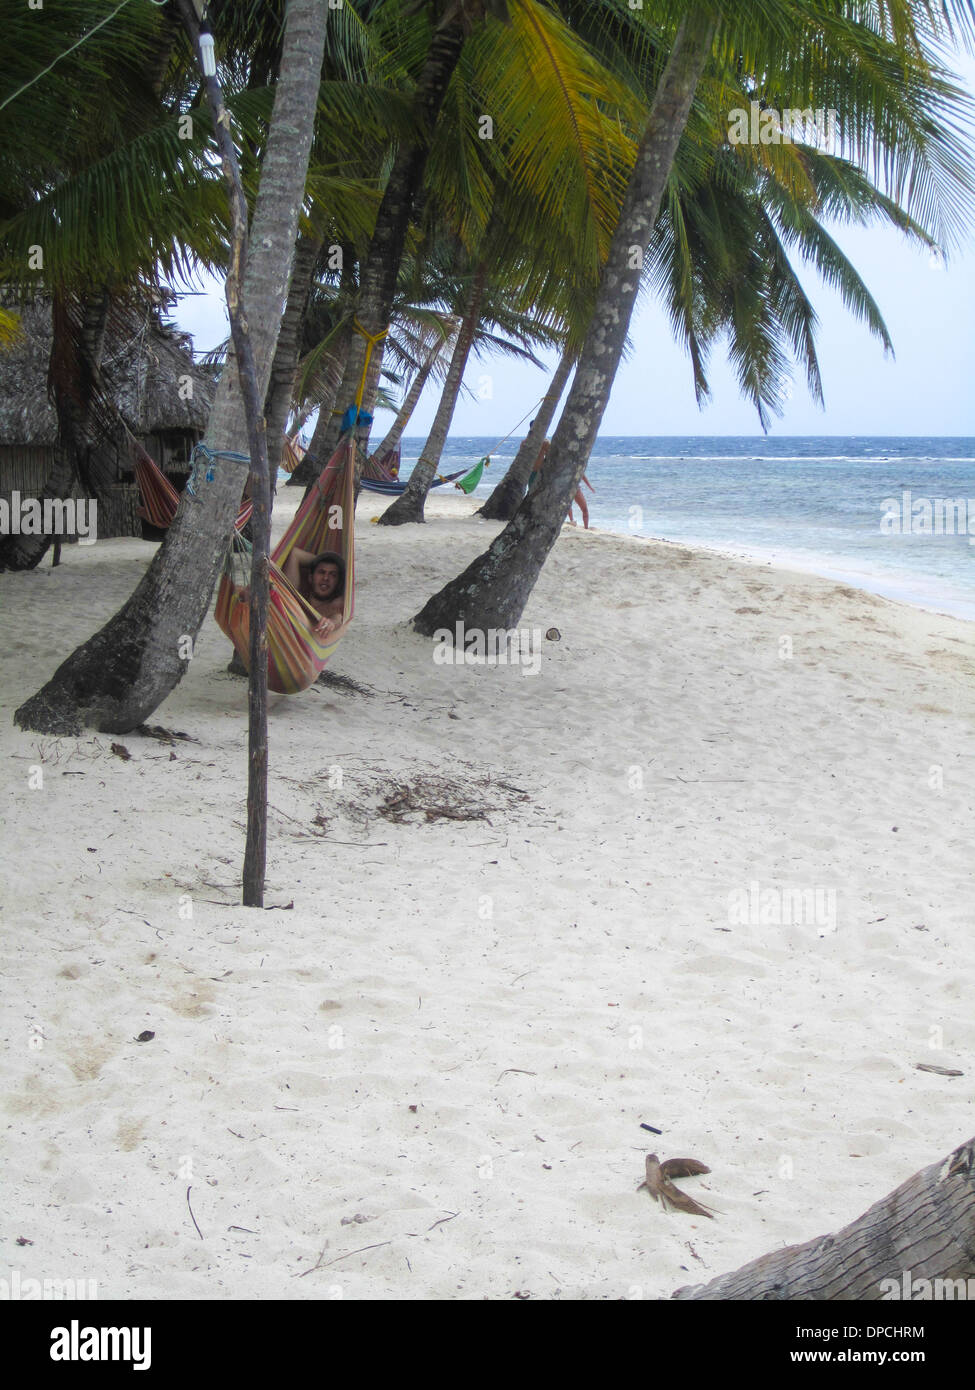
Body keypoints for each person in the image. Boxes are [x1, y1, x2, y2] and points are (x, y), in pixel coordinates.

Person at [526, 425, 594, 528]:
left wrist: (589, 486)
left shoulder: (545, 443)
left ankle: (584, 527)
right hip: (535, 474)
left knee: (581, 507)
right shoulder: (528, 442)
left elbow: (554, 458)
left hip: (563, 481)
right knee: (536, 498)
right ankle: (571, 521)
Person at [282, 548, 347, 639]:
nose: (326, 578)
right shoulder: (293, 598)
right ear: (310, 578)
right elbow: (295, 554)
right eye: (321, 572)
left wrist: (330, 624)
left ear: (338, 583)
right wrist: (317, 561)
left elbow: (337, 619)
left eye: (333, 575)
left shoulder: (335, 608)